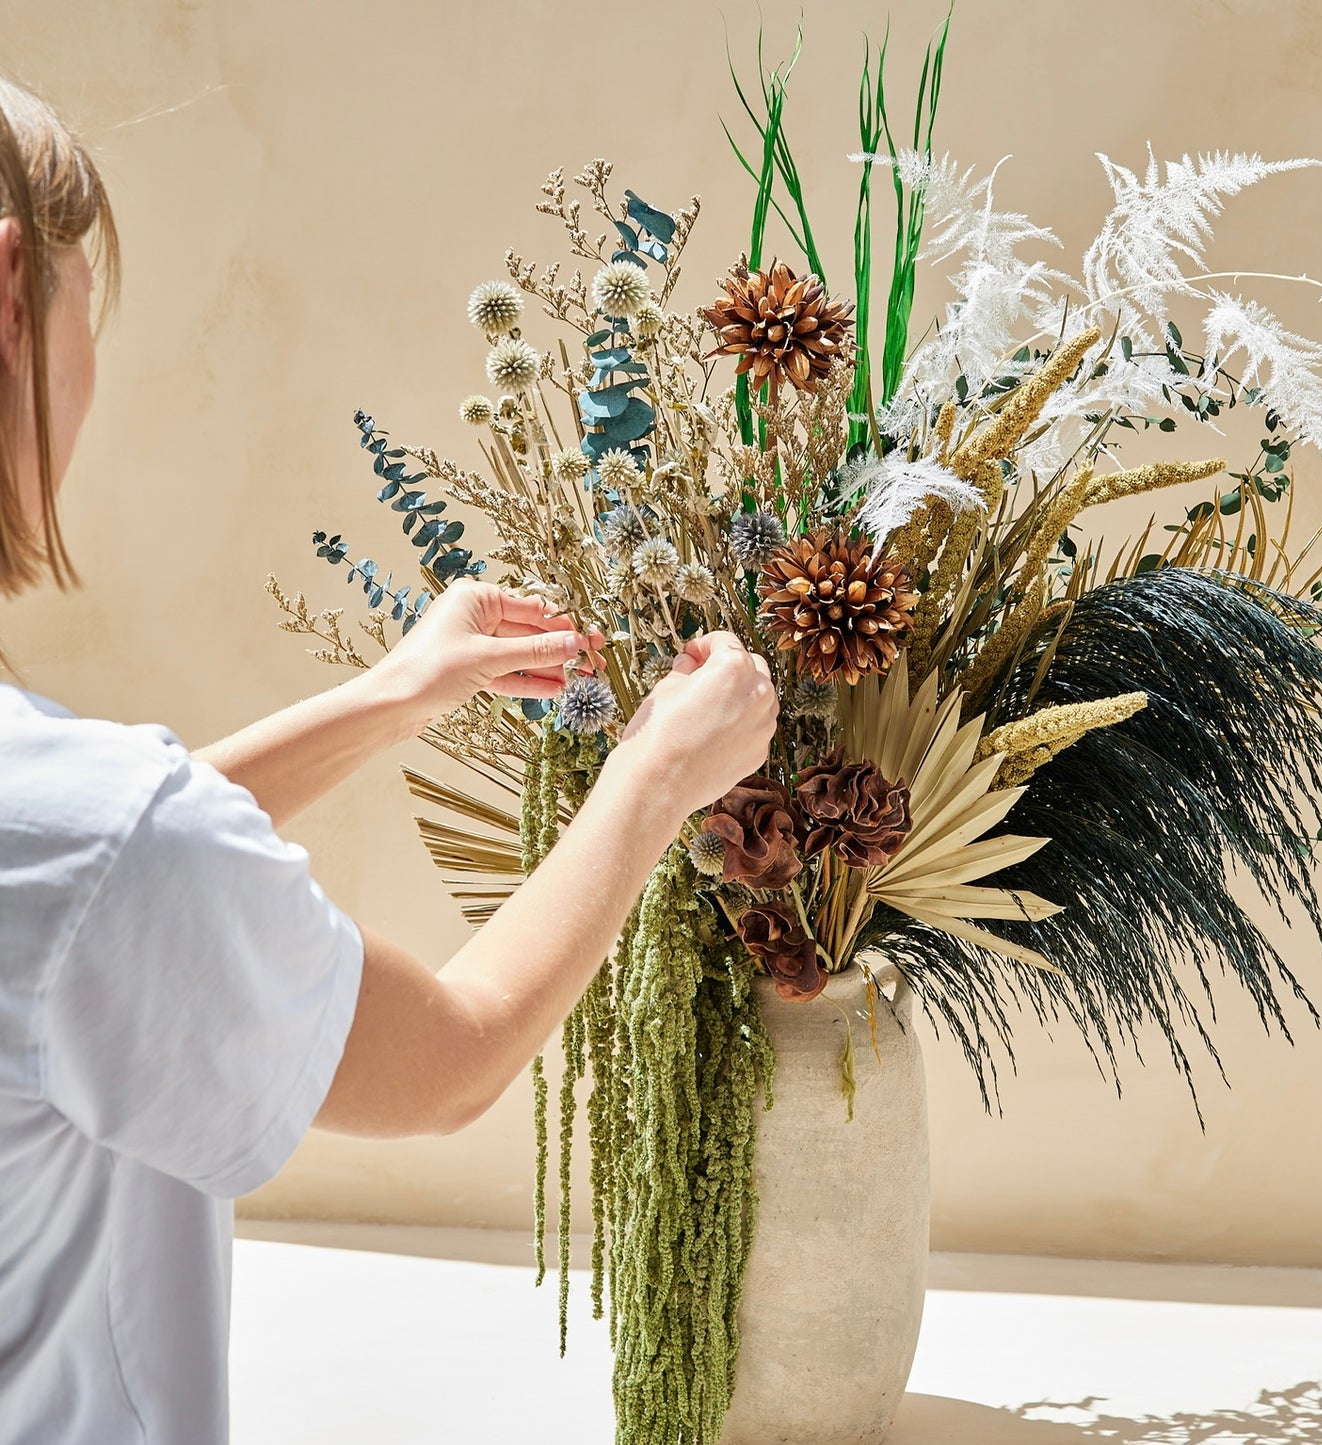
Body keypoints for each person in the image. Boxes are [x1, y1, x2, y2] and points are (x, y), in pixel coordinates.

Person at [0, 77, 777, 1444]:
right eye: (82, 309)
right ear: (10, 297)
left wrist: (392, 693)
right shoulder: (101, 846)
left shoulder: (67, 832)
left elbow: (80, 891)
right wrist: (656, 772)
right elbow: (448, 1060)